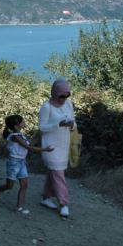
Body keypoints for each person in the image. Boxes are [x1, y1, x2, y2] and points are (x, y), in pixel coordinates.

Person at [0, 114, 54, 215]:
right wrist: (45, 149)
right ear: (16, 125)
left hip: (21, 162)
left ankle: (19, 208)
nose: (24, 122)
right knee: (9, 186)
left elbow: (29, 144)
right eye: (22, 121)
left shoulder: (21, 135)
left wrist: (39, 134)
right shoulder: (15, 136)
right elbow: (29, 148)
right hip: (14, 162)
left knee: (24, 185)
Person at [38, 79, 76, 218]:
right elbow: (42, 127)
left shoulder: (69, 104)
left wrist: (71, 125)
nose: (64, 98)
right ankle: (64, 204)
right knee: (58, 174)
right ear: (54, 93)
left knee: (53, 172)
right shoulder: (46, 107)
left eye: (66, 95)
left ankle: (46, 197)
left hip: (63, 144)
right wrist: (57, 124)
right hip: (50, 146)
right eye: (61, 96)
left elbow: (74, 124)